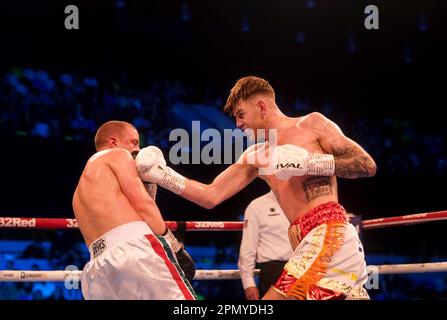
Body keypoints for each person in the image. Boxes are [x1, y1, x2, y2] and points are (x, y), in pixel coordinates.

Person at [135, 76, 377, 300]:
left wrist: (311, 162)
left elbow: (367, 165)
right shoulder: (255, 156)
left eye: (241, 114)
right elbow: (210, 195)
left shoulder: (311, 124)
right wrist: (163, 175)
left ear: (261, 107)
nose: (238, 124)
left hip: (329, 233)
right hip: (304, 242)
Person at [72, 120, 196, 300]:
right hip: (135, 253)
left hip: (97, 271)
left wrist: (148, 183)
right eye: (135, 142)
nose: (138, 150)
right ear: (113, 142)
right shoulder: (118, 155)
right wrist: (173, 245)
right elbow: (143, 205)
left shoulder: (78, 194)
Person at [238, 190, 292, 300]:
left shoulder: (303, 203)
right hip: (273, 272)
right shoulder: (257, 206)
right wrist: (248, 283)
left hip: (302, 269)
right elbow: (248, 247)